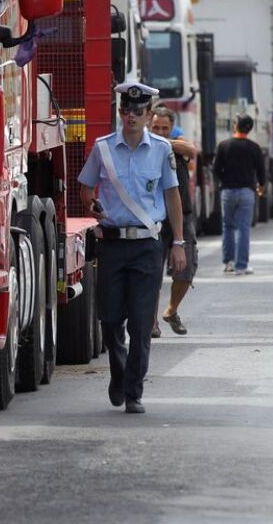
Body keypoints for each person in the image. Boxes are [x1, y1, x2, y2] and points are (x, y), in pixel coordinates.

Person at [78, 82, 186, 414]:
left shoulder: (162, 149)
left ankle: (133, 391)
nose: (132, 117)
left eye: (139, 112)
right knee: (110, 320)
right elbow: (84, 187)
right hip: (112, 245)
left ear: (149, 114)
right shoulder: (103, 148)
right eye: (126, 111)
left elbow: (172, 196)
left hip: (146, 247)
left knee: (141, 324)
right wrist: (91, 204)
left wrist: (178, 242)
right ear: (121, 112)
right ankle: (119, 371)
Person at [149, 107, 198, 337]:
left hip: (182, 216)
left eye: (164, 128)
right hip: (154, 218)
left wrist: (165, 141)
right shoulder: (143, 148)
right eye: (155, 128)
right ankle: (151, 322)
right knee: (151, 274)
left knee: (185, 269)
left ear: (172, 128)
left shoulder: (176, 144)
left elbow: (192, 150)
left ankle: (171, 310)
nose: (159, 131)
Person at [213, 114, 266, 276]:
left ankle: (228, 263)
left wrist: (224, 181)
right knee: (244, 228)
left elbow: (216, 170)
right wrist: (261, 186)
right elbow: (261, 171)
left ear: (235, 125)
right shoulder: (254, 147)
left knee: (228, 227)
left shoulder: (223, 146)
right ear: (249, 129)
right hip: (247, 192)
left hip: (228, 191)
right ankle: (241, 265)